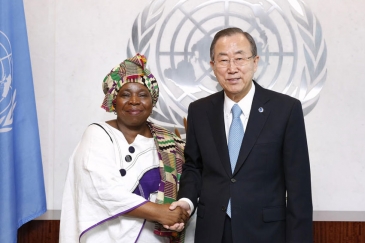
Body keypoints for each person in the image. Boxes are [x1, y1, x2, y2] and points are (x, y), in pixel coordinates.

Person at [169, 27, 313, 242]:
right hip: (213, 231)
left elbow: (299, 188)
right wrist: (186, 201)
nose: (232, 68)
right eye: (223, 60)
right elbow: (194, 167)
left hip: (266, 233)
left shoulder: (285, 109)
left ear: (255, 62)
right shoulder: (199, 111)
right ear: (212, 66)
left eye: (239, 58)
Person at [59, 53, 195, 243]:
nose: (134, 101)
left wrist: (179, 212)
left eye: (142, 94)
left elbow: (192, 183)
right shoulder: (98, 134)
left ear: (152, 101)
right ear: (114, 101)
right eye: (125, 94)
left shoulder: (170, 141)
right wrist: (159, 212)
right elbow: (103, 191)